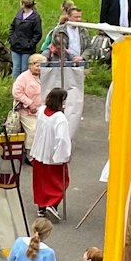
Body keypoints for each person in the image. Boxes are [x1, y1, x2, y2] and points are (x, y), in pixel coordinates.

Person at [30, 87, 74, 219]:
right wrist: (63, 156)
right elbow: (62, 139)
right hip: (52, 156)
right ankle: (52, 205)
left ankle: (41, 207)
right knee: (60, 181)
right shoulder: (60, 118)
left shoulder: (42, 110)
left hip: (39, 152)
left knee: (41, 182)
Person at [8, 0, 43, 77]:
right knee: (16, 68)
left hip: (27, 49)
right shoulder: (19, 15)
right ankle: (15, 86)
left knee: (24, 69)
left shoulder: (35, 18)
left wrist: (30, 44)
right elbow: (12, 27)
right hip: (15, 46)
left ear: (23, 4)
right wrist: (11, 39)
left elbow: (38, 33)